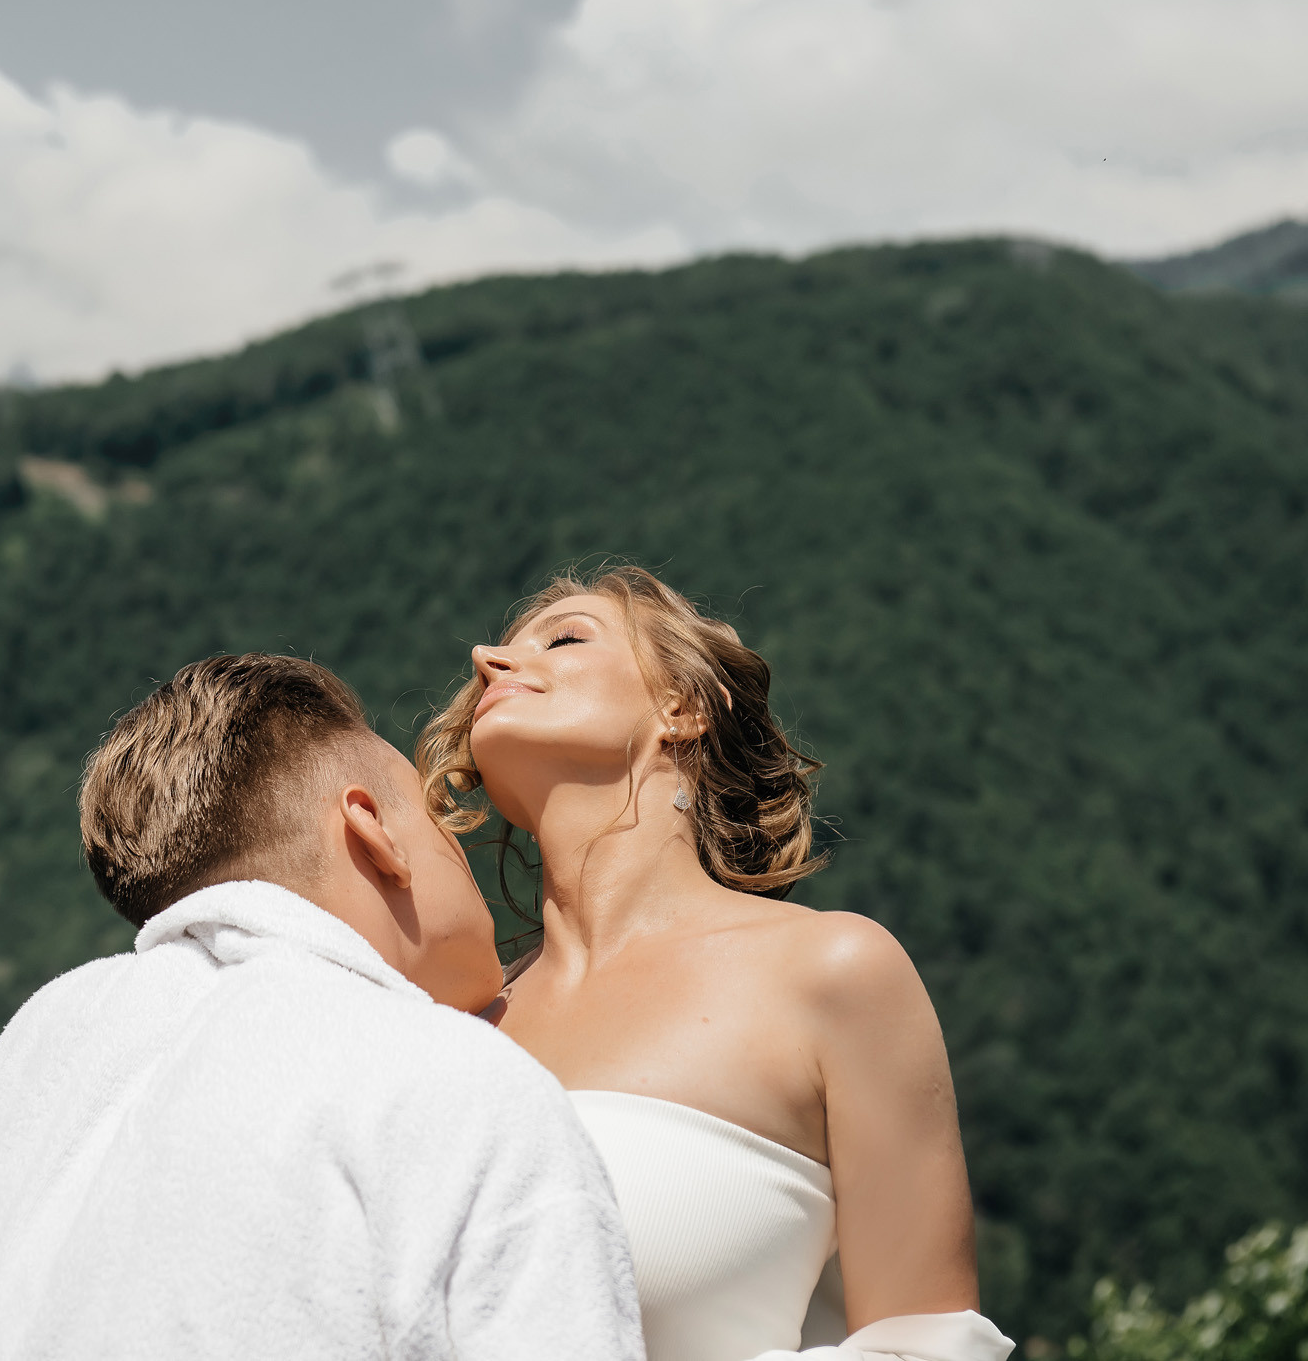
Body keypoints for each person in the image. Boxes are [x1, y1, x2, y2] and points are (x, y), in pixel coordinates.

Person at [0, 654, 645, 1361]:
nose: (456, 838)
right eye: (430, 812)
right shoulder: (451, 1079)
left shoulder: (47, 1050)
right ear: (372, 829)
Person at [417, 567, 1014, 1361]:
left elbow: (929, 1346)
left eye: (564, 637)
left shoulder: (832, 973)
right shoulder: (448, 1035)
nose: (486, 655)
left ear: (684, 707)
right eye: (493, 651)